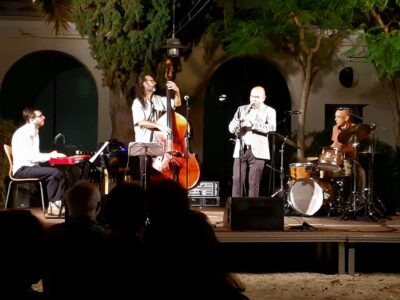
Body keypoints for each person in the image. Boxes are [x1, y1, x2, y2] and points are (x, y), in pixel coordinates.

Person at [11, 107, 67, 215]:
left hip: (29, 167)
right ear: (32, 120)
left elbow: (34, 155)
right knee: (54, 173)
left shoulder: (33, 132)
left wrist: (52, 155)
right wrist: (51, 156)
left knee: (59, 172)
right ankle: (54, 207)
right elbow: (32, 157)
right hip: (22, 169)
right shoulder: (26, 133)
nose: (43, 117)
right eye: (40, 116)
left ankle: (59, 205)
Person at [131, 74, 181, 187]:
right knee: (146, 176)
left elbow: (177, 104)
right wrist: (160, 126)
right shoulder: (137, 102)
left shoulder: (158, 99)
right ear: (145, 84)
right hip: (144, 144)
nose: (155, 83)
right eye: (151, 81)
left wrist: (177, 91)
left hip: (158, 144)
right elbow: (141, 122)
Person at [228, 86, 276, 197]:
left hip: (258, 151)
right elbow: (231, 127)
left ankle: (251, 210)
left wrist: (253, 124)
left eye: (257, 97)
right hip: (241, 149)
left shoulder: (269, 111)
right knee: (237, 180)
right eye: (252, 96)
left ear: (264, 98)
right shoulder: (242, 109)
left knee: (253, 183)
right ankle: (236, 209)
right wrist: (235, 126)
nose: (253, 99)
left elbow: (272, 128)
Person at [330, 107, 366, 194]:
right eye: (335, 116)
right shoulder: (335, 128)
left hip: (350, 161)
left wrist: (339, 151)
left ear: (346, 118)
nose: (335, 119)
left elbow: (351, 148)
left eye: (338, 117)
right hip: (337, 160)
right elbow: (333, 144)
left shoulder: (355, 128)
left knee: (359, 174)